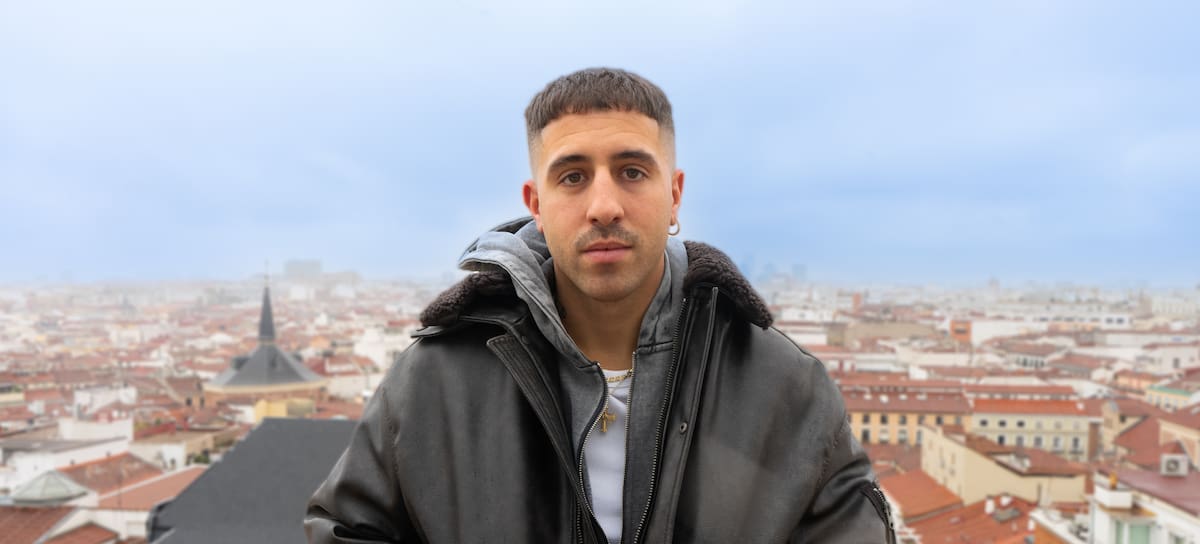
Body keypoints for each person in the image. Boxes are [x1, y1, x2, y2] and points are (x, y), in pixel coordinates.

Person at [305, 67, 895, 543]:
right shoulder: (436, 380)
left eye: (632, 171)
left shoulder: (785, 388)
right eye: (572, 177)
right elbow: (348, 530)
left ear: (674, 195)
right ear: (536, 204)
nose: (604, 205)